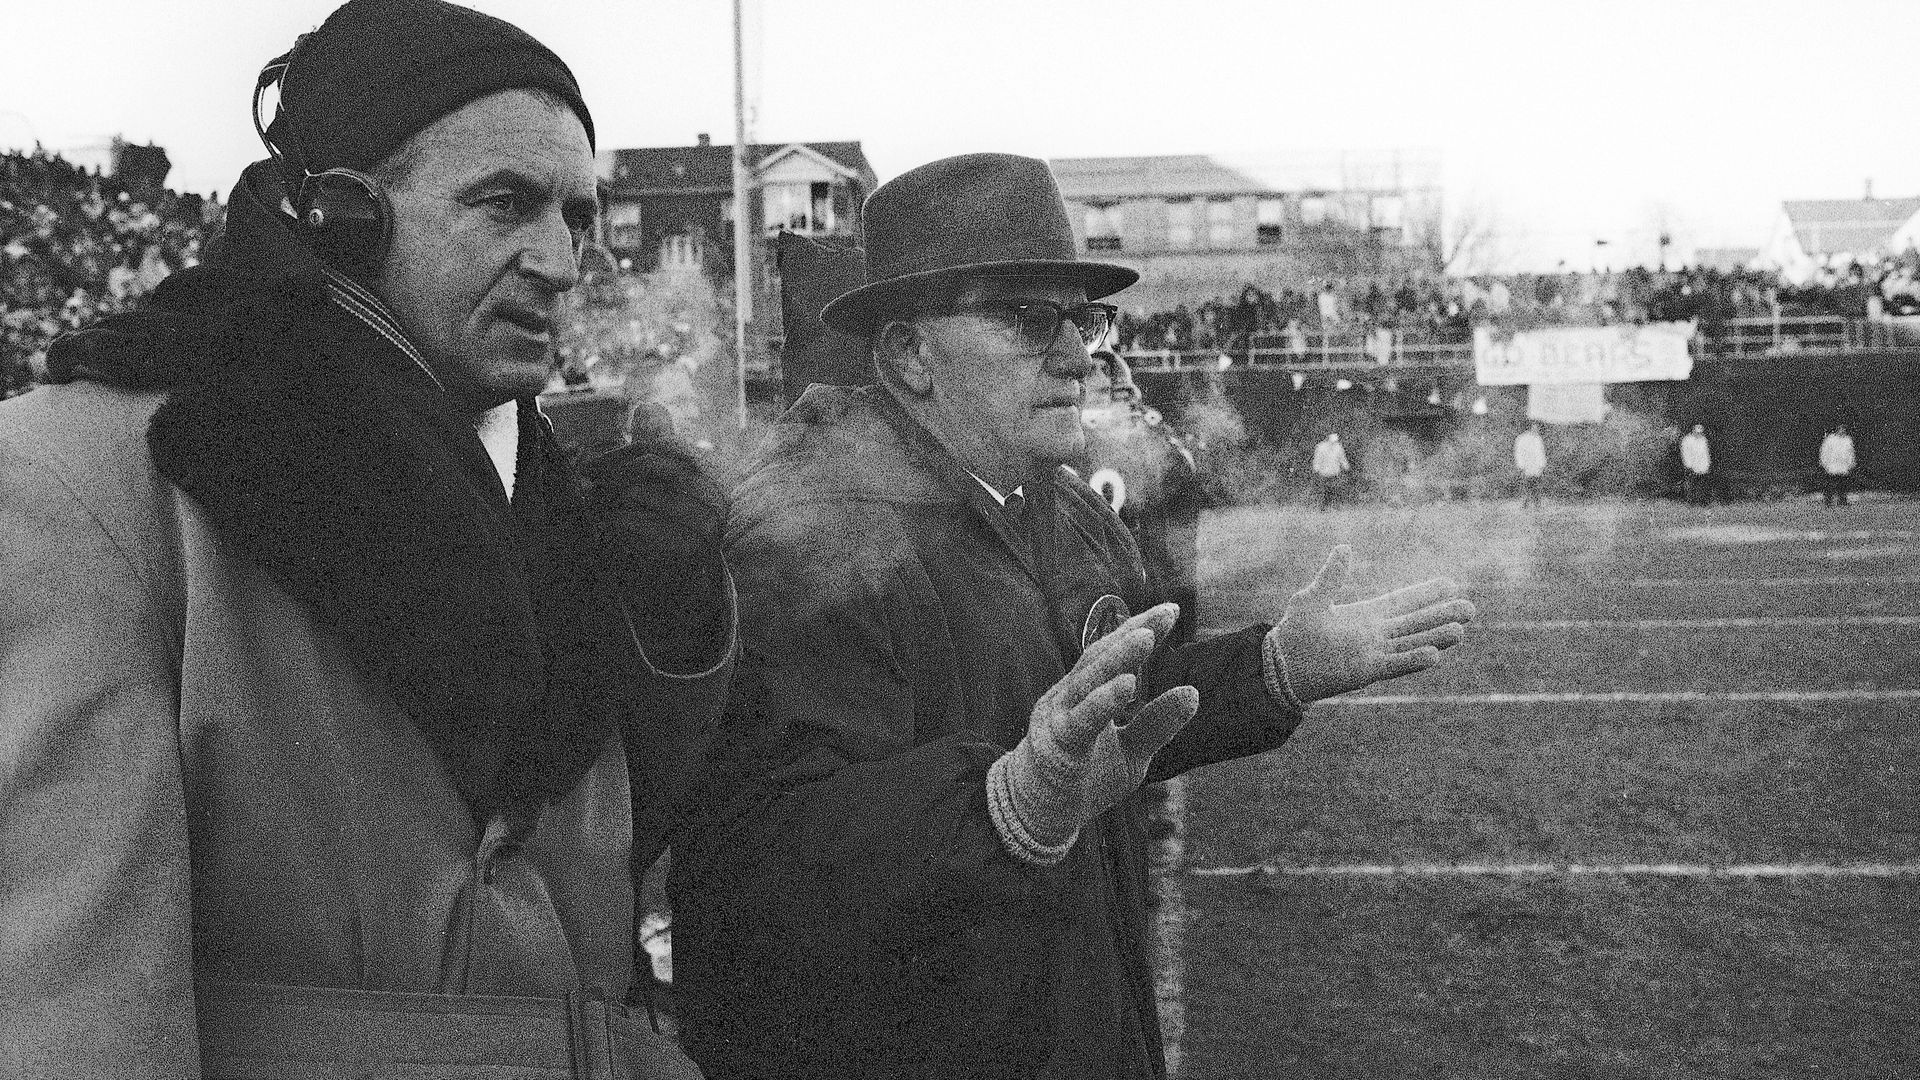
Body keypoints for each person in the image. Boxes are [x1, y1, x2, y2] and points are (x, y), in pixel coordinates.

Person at [0, 2, 732, 1075]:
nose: (564, 261)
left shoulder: (563, 500)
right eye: (506, 204)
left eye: (579, 215)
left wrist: (680, 638)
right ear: (343, 216)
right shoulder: (93, 481)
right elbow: (73, 1007)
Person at [666, 153, 1476, 1080]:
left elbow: (1104, 733)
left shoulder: (1070, 514)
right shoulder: (805, 538)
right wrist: (1001, 804)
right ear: (907, 354)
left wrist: (1272, 669)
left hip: (1078, 1017)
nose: (1076, 353)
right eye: (1025, 318)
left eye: (1082, 318)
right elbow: (767, 864)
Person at [1819, 424, 1857, 506]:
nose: (1842, 431)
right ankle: (1828, 501)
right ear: (1837, 430)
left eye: (1844, 430)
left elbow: (1850, 453)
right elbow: (1824, 451)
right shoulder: (1830, 439)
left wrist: (1850, 463)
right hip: (1831, 466)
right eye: (1840, 429)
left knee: (1843, 485)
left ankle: (1842, 501)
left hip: (1843, 466)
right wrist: (1824, 463)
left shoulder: (1848, 440)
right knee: (1829, 485)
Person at [1312, 430, 1351, 510]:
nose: (1333, 443)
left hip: (1335, 472)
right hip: (1324, 472)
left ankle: (1335, 506)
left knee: (1335, 490)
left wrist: (1346, 466)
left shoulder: (1338, 447)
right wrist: (1316, 468)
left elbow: (1342, 458)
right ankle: (1323, 507)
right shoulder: (1320, 447)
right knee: (1324, 491)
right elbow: (1317, 459)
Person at [1513, 422, 1547, 508]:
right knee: (1526, 485)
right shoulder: (1521, 439)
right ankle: (1525, 503)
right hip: (1526, 465)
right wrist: (1520, 465)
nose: (1536, 430)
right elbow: (1518, 453)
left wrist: (1542, 464)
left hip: (1536, 466)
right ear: (1529, 428)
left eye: (1537, 428)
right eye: (1534, 428)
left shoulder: (1538, 439)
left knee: (1537, 485)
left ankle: (1537, 503)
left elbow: (1541, 452)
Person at [1680, 423, 1712, 505]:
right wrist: (1688, 465)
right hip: (1691, 466)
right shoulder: (1687, 440)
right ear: (1693, 431)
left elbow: (1705, 453)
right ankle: (1691, 502)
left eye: (1700, 432)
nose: (1699, 434)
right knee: (1691, 485)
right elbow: (1685, 453)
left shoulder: (1703, 440)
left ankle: (1702, 502)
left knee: (1702, 485)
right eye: (1697, 432)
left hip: (1702, 467)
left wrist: (1707, 465)